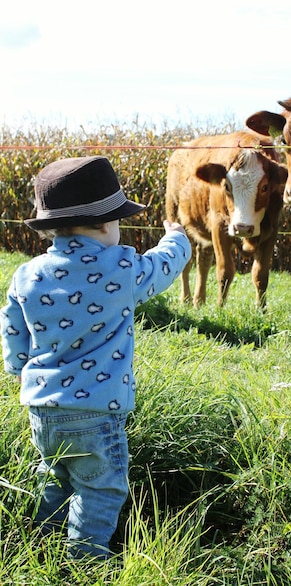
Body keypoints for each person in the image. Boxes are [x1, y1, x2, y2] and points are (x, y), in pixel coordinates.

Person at [0, 155, 191, 560]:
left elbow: (13, 331)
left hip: (41, 408)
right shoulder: (121, 267)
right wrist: (177, 237)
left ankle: (39, 543)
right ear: (106, 223)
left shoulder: (26, 274)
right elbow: (163, 266)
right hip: (97, 413)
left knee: (55, 475)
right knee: (101, 487)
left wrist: (19, 368)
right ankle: (84, 562)